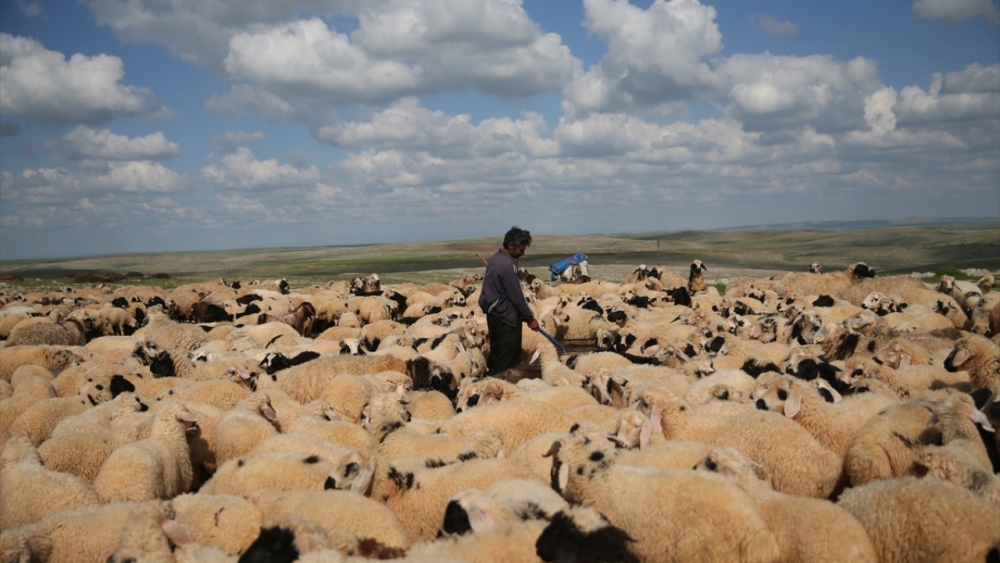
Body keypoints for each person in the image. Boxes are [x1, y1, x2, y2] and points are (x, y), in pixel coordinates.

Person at [478, 226, 540, 376]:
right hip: (506, 318)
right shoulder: (507, 265)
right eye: (521, 250)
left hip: (494, 314)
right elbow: (516, 296)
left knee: (497, 353)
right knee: (509, 358)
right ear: (511, 246)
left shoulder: (495, 259)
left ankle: (496, 383)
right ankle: (504, 387)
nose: (522, 253)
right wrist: (529, 318)